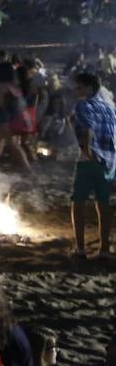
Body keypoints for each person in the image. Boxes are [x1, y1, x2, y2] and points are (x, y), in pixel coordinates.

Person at [70, 72, 115, 258]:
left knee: (78, 202)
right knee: (103, 204)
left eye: (80, 86)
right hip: (110, 162)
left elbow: (87, 130)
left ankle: (80, 249)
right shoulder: (110, 107)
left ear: (90, 88)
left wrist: (88, 153)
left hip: (90, 161)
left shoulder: (83, 105)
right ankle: (104, 248)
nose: (77, 90)